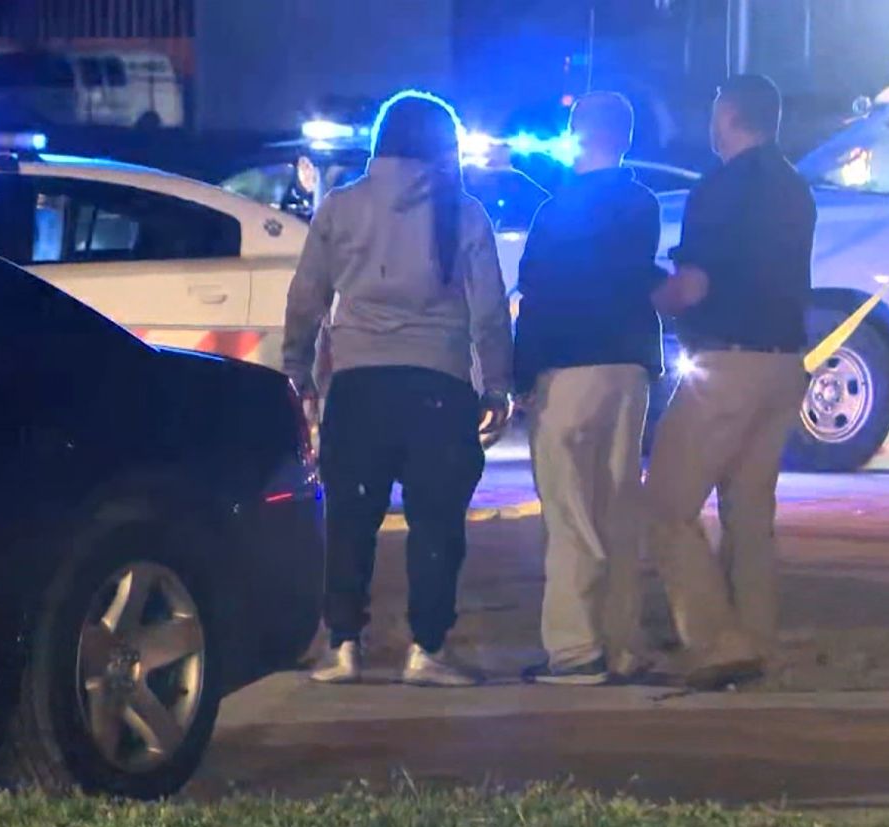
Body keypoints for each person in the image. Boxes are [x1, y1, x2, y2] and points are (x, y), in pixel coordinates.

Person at [283, 90, 514, 686]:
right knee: (436, 523)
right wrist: (498, 386)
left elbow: (307, 296)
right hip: (438, 388)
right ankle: (427, 649)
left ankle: (344, 646)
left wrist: (298, 371)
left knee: (350, 521)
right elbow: (489, 311)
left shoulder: (341, 206)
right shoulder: (463, 212)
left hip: (358, 387)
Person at [646, 75, 816, 690]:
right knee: (748, 512)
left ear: (729, 117)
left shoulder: (719, 189)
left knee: (665, 504)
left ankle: (717, 641)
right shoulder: (796, 188)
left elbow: (691, 288)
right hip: (783, 363)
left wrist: (640, 287)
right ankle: (758, 639)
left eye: (716, 111)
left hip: (728, 364)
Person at [514, 92, 664, 686]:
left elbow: (537, 296)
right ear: (625, 138)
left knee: (570, 514)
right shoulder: (643, 204)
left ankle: (576, 653)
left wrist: (521, 378)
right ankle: (621, 643)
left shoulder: (556, 211)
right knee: (618, 506)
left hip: (568, 369)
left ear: (577, 134)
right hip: (629, 368)